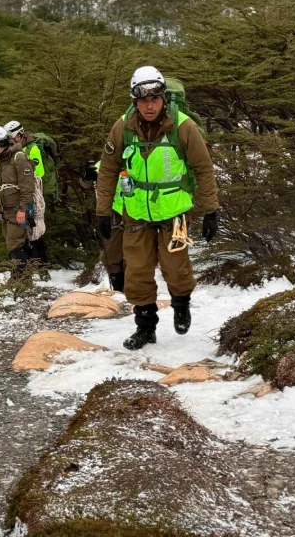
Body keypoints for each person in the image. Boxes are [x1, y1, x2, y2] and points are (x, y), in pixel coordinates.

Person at [95, 66, 220, 350]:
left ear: (163, 98)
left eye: (154, 99)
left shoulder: (184, 127)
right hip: (135, 211)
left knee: (176, 268)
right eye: (143, 100)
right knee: (137, 271)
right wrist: (104, 211)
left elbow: (203, 170)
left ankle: (181, 304)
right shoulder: (122, 127)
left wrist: (211, 210)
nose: (149, 106)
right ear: (134, 101)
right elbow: (108, 172)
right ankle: (145, 326)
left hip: (175, 212)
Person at [0, 125, 36, 276]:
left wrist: (23, 209)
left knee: (14, 244)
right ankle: (23, 276)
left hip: (17, 209)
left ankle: (20, 280)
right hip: (6, 209)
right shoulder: (3, 160)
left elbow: (28, 187)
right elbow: (1, 187)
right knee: (13, 243)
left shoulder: (19, 158)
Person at [4, 120, 50, 262]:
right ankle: (33, 264)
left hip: (33, 195)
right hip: (23, 194)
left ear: (18, 135)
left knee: (34, 231)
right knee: (26, 231)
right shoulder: (19, 150)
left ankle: (42, 267)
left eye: (11, 138)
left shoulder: (32, 149)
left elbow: (39, 172)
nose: (10, 141)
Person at [83, 161, 125, 292]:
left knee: (134, 254)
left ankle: (133, 290)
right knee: (112, 255)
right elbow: (85, 183)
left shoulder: (140, 157)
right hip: (114, 212)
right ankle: (119, 290)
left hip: (139, 212)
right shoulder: (107, 160)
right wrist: (87, 176)